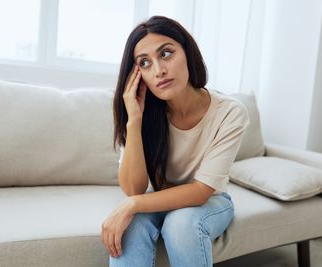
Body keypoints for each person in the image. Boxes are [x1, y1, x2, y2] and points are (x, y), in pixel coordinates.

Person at [101, 15, 250, 267]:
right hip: (159, 194)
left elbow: (201, 191)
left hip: (212, 199)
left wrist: (132, 204)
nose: (158, 70)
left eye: (166, 54)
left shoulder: (230, 112)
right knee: (131, 226)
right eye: (145, 63)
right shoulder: (143, 112)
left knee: (180, 224)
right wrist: (134, 121)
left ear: (187, 52)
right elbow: (133, 188)